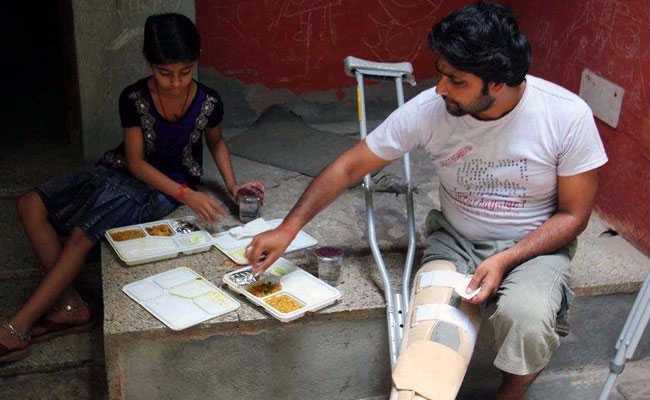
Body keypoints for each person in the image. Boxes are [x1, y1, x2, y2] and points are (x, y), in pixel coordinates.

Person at [246, 2, 607, 399]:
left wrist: (505, 260)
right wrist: (288, 229)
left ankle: (513, 390)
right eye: (441, 73)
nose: (440, 88)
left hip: (533, 247)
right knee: (432, 342)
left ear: (498, 84)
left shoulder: (566, 116)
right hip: (456, 240)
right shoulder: (432, 110)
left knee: (527, 318)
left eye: (457, 80)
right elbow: (350, 167)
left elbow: (574, 216)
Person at [0, 13, 263, 363]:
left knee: (81, 235)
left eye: (185, 72)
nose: (174, 83)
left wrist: (232, 186)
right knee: (29, 203)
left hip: (162, 188)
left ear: (196, 59)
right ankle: (69, 305)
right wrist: (190, 197)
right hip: (124, 170)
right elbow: (136, 162)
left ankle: (17, 327)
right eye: (164, 73)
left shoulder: (210, 102)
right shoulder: (134, 98)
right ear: (149, 63)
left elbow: (216, 143)